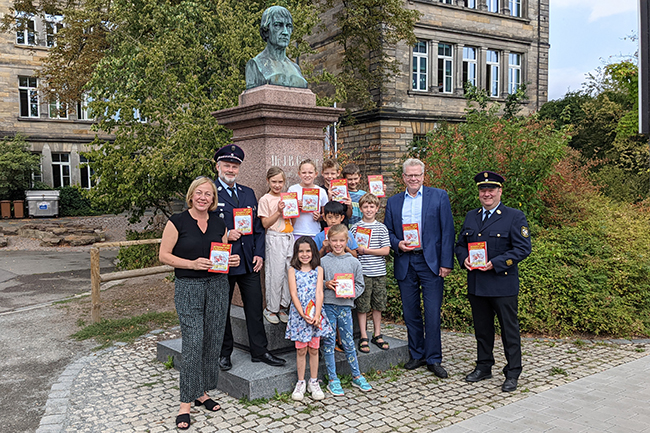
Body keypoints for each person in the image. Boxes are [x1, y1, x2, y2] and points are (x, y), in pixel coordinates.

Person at [159, 177, 241, 430]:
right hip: (189, 287)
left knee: (212, 339)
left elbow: (220, 253)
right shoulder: (177, 221)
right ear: (191, 195)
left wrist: (231, 261)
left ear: (213, 199)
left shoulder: (219, 223)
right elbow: (164, 255)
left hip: (217, 286)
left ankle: (201, 392)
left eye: (208, 194)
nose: (204, 197)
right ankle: (185, 403)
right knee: (193, 342)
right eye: (199, 193)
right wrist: (192, 264)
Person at [454, 171, 532, 392]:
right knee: (482, 329)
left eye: (491, 189)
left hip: (502, 283)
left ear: (500, 191)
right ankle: (484, 366)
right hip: (478, 282)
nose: (486, 193)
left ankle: (513, 371)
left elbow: (523, 248)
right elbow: (460, 244)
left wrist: (497, 263)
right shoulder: (472, 216)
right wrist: (464, 259)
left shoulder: (514, 216)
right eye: (482, 190)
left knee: (509, 330)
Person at [213, 144, 286, 371]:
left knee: (254, 307)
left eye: (235, 166)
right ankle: (224, 353)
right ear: (218, 166)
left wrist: (259, 254)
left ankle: (260, 350)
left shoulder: (247, 193)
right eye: (227, 165)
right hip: (223, 259)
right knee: (221, 308)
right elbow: (203, 227)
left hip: (248, 260)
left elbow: (257, 228)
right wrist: (224, 234)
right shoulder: (210, 191)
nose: (231, 170)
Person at [384, 158, 455, 378]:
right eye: (409, 175)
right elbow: (388, 231)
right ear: (403, 177)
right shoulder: (394, 201)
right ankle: (417, 354)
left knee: (432, 312)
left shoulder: (439, 196)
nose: (414, 179)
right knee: (411, 312)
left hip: (430, 262)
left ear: (423, 176)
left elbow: (448, 231)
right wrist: (398, 244)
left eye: (417, 175)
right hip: (406, 260)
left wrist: (446, 262)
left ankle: (434, 358)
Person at [321, 224, 372, 396]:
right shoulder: (323, 262)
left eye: (341, 240)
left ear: (347, 241)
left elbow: (360, 285)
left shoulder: (353, 262)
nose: (337, 244)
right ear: (328, 241)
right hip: (328, 306)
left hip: (345, 307)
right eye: (334, 240)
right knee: (328, 342)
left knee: (348, 341)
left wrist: (350, 295)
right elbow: (317, 284)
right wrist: (326, 284)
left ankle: (356, 375)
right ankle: (333, 378)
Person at [285, 236, 333, 401]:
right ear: (296, 253)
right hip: (300, 316)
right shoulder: (292, 270)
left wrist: (317, 314)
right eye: (301, 251)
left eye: (308, 251)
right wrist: (303, 314)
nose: (305, 254)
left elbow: (320, 292)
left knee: (314, 349)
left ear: (313, 252)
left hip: (315, 315)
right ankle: (300, 382)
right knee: (301, 350)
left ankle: (314, 381)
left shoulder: (318, 270)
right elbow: (294, 294)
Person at [350, 193, 391, 353]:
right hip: (362, 274)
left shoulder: (381, 227)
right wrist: (356, 251)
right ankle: (363, 335)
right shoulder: (355, 228)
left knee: (378, 305)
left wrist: (365, 250)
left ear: (377, 208)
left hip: (379, 272)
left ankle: (377, 334)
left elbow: (386, 250)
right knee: (362, 306)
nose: (368, 210)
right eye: (365, 207)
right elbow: (352, 250)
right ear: (360, 209)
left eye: (371, 207)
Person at [258, 167, 293, 325]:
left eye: (280, 182)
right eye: (274, 182)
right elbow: (265, 223)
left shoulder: (288, 197)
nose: (277, 185)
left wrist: (295, 208)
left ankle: (283, 306)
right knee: (275, 273)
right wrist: (278, 211)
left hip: (289, 236)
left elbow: (292, 220)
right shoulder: (266, 199)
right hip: (275, 237)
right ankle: (271, 307)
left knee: (288, 272)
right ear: (268, 181)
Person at [245, 6, 308, 89]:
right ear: (266, 31)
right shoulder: (254, 65)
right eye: (278, 25)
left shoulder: (296, 68)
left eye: (288, 26)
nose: (285, 32)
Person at [287, 159, 328, 240]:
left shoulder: (321, 191)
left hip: (314, 231)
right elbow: (287, 212)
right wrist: (296, 207)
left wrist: (319, 217)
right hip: (296, 231)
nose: (307, 175)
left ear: (315, 174)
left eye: (310, 172)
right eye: (304, 173)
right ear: (299, 174)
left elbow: (325, 213)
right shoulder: (293, 189)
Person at [320, 158, 352, 228]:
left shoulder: (343, 189)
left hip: (343, 227)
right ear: (322, 173)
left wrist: (349, 206)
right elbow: (321, 216)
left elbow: (349, 215)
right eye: (326, 173)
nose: (329, 176)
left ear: (338, 173)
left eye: (333, 173)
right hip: (326, 229)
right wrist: (328, 198)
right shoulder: (320, 191)